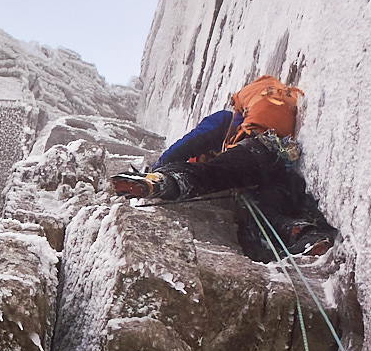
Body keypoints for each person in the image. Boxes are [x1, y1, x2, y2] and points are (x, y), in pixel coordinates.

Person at [111, 74, 338, 257]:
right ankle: (306, 235)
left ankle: (160, 184)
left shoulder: (225, 120)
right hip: (280, 171)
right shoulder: (270, 120)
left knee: (206, 175)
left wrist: (160, 168)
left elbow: (189, 144)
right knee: (262, 225)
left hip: (253, 154)